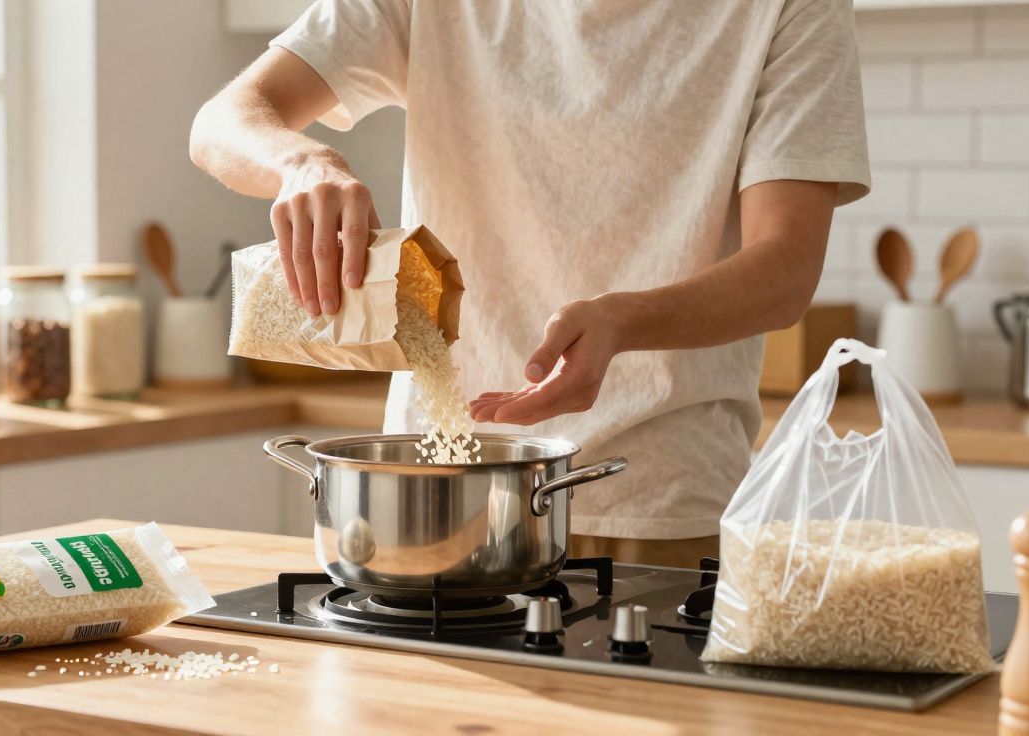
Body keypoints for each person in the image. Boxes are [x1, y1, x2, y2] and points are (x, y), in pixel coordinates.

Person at [190, 0, 869, 567]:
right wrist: (303, 162)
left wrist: (625, 321)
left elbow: (784, 270)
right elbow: (223, 120)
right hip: (435, 494)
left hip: (661, 507)